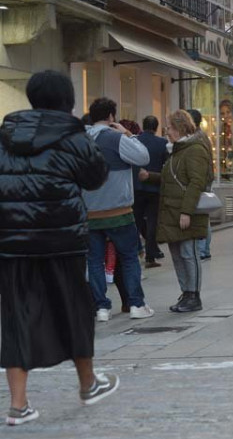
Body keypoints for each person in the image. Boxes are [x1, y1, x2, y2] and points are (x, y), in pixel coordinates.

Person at [0, 70, 117, 426]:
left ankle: (18, 405)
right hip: (63, 242)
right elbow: (96, 177)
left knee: (16, 319)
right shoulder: (74, 138)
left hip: (13, 246)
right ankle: (88, 385)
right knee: (75, 310)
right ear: (67, 101)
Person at [83, 98, 154, 322]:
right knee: (129, 257)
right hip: (118, 211)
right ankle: (136, 304)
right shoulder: (116, 138)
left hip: (89, 212)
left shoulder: (79, 140)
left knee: (94, 260)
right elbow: (143, 157)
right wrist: (128, 134)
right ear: (111, 117)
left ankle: (101, 308)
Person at [141, 110, 212, 312]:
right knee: (177, 254)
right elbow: (172, 178)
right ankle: (186, 293)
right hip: (172, 211)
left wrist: (186, 212)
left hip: (183, 212)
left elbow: (196, 182)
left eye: (170, 127)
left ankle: (194, 295)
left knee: (189, 253)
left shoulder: (194, 149)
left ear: (180, 128)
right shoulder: (177, 149)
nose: (167, 131)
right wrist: (151, 177)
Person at [133, 116, 168, 268]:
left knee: (136, 220)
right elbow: (166, 166)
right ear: (156, 127)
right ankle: (150, 255)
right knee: (153, 221)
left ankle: (134, 251)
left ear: (143, 125)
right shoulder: (162, 143)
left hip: (138, 187)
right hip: (155, 187)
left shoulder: (135, 141)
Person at [188, 109, 214, 260]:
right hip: (204, 179)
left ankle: (202, 250)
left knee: (201, 215)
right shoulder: (202, 136)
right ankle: (204, 249)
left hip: (201, 181)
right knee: (203, 215)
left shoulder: (196, 138)